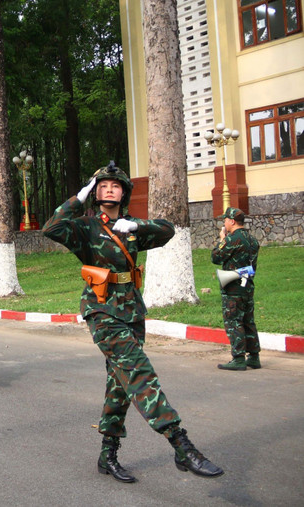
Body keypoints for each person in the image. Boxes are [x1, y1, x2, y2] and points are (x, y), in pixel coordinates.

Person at [42, 161, 223, 483]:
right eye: (102, 185)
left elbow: (168, 230)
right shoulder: (84, 226)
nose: (108, 188)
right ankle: (180, 444)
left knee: (120, 385)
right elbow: (52, 228)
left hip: (132, 311)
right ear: (95, 193)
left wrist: (137, 228)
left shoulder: (130, 226)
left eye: (115, 184)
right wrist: (78, 197)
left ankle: (107, 454)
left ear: (124, 192)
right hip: (102, 310)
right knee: (139, 372)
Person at [211, 207, 260, 371]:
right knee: (248, 321)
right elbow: (252, 267)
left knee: (233, 321)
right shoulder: (252, 240)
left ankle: (238, 358)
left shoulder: (232, 239)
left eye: (225, 220)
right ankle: (254, 357)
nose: (224, 223)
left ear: (232, 221)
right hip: (247, 286)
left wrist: (221, 239)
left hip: (233, 288)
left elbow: (215, 257)